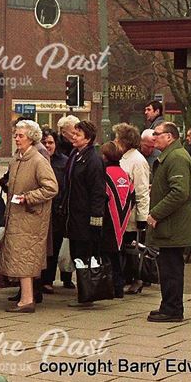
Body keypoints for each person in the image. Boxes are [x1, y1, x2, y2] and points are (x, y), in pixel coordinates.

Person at [0, 120, 59, 313]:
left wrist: (28, 197)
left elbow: (51, 187)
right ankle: (26, 297)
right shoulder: (19, 158)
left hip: (30, 217)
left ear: (31, 138)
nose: (16, 138)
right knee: (20, 257)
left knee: (25, 258)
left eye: (20, 136)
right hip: (19, 215)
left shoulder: (37, 160)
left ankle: (27, 300)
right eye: (16, 135)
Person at [146, 122, 191, 322]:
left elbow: (179, 192)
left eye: (157, 134)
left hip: (173, 225)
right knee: (168, 267)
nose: (154, 137)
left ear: (169, 137)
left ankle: (172, 310)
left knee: (171, 268)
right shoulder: (172, 156)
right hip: (172, 225)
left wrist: (156, 214)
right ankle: (168, 305)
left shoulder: (176, 157)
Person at [62, 119, 107, 307]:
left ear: (88, 139)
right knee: (76, 254)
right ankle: (84, 293)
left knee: (84, 255)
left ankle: (87, 295)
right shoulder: (75, 155)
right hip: (74, 215)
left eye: (78, 134)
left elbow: (98, 191)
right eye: (74, 133)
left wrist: (96, 219)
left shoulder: (93, 160)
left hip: (85, 216)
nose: (74, 137)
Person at [114, 122, 151, 294]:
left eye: (117, 137)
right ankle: (128, 277)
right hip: (123, 213)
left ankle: (138, 278)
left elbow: (142, 190)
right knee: (126, 247)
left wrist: (142, 218)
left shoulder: (137, 161)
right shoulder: (123, 157)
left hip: (132, 213)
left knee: (133, 247)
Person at [40, 127, 74, 291]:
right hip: (40, 211)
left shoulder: (64, 161)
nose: (47, 146)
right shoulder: (38, 160)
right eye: (44, 142)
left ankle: (49, 280)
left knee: (54, 247)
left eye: (50, 142)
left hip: (57, 211)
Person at [100, 141, 134, 299]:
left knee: (107, 256)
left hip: (107, 221)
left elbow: (101, 197)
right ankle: (119, 287)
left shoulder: (104, 174)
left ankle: (109, 287)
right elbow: (133, 197)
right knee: (118, 255)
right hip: (122, 220)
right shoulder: (125, 175)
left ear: (105, 157)